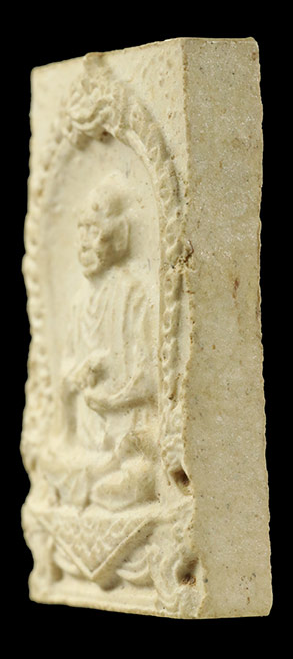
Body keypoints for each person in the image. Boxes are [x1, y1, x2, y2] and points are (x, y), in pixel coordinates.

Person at [47, 171, 158, 511]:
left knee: (136, 476)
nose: (84, 244)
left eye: (93, 231)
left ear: (119, 236)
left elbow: (150, 378)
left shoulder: (133, 295)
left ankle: (104, 482)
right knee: (51, 465)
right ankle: (91, 482)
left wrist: (111, 398)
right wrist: (78, 374)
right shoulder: (79, 303)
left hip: (127, 435)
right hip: (89, 438)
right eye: (81, 231)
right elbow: (65, 369)